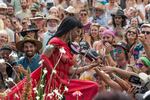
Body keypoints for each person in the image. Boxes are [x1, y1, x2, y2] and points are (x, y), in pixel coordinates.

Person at [41, 16, 99, 100]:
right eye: (77, 31)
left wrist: (90, 66)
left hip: (64, 83)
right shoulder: (55, 41)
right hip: (53, 83)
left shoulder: (67, 47)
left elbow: (70, 70)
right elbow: (43, 58)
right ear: (70, 30)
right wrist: (55, 75)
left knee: (93, 86)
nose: (78, 34)